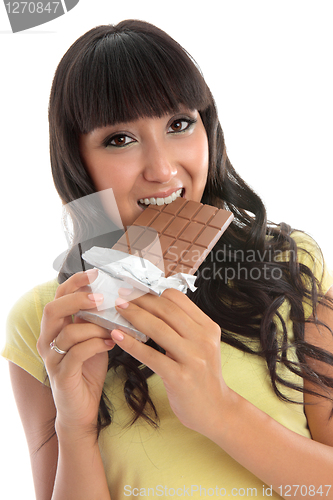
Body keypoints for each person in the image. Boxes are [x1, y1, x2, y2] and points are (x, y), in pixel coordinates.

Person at [2, 19, 333, 500]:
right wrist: (75, 427)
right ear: (78, 159)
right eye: (119, 138)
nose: (162, 169)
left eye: (179, 124)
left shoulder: (286, 266)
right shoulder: (46, 320)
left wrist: (218, 411)